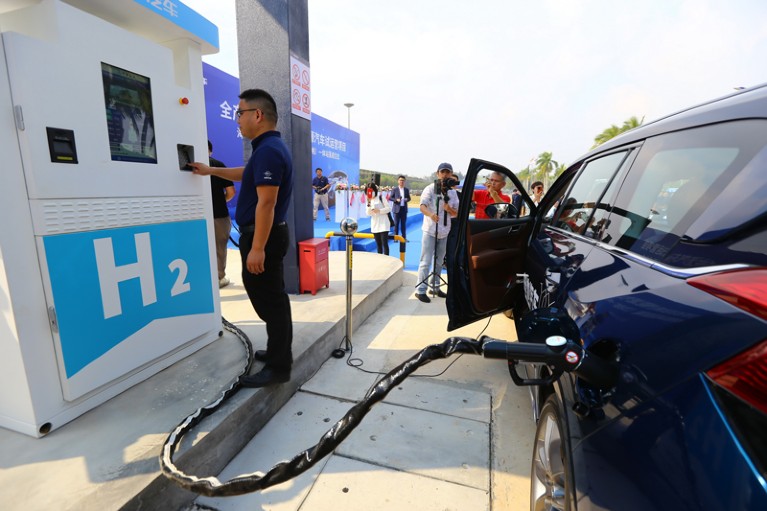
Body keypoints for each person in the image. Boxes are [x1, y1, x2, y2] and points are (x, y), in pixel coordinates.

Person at [190, 89, 294, 388]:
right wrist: (211, 170)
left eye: (240, 113)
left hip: (265, 237)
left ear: (257, 115)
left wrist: (257, 248)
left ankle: (278, 367)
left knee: (271, 303)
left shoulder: (269, 151)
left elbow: (266, 203)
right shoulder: (267, 149)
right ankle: (278, 352)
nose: (238, 120)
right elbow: (248, 174)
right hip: (266, 235)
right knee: (272, 299)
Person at [415, 162, 459, 303]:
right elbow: (422, 206)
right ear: (437, 173)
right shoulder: (430, 188)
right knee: (425, 261)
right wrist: (430, 214)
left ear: (451, 174)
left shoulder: (453, 193)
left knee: (439, 262)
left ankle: (434, 287)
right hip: (430, 230)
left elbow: (457, 213)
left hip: (445, 231)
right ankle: (420, 290)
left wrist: (449, 209)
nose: (445, 175)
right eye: (442, 172)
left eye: (448, 172)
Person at [208, 140, 236, 288]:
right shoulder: (218, 166)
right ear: (210, 151)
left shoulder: (187, 167)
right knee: (219, 246)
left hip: (195, 215)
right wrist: (220, 200)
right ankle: (219, 278)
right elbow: (231, 192)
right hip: (218, 214)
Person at [365, 183, 392, 255]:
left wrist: (379, 211)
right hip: (375, 224)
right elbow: (368, 213)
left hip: (383, 223)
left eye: (372, 190)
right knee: (378, 245)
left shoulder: (381, 197)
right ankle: (380, 259)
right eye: (368, 191)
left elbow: (389, 208)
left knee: (384, 244)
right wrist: (369, 203)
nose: (370, 192)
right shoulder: (368, 200)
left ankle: (386, 260)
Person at [390, 175, 411, 240]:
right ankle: (396, 238)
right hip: (396, 210)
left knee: (403, 225)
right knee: (396, 224)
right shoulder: (395, 189)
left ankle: (404, 238)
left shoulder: (406, 190)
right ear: (398, 181)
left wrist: (406, 200)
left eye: (403, 180)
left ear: (404, 182)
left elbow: (409, 198)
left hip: (403, 209)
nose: (401, 181)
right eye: (400, 180)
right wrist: (396, 200)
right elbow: (390, 197)